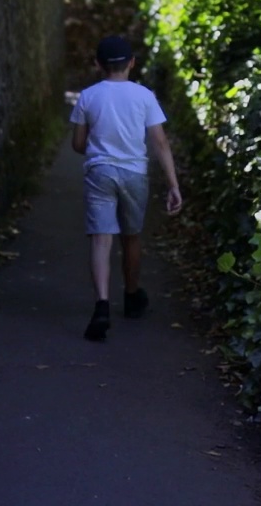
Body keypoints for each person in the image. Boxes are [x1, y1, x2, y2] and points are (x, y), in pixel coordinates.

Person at [69, 35, 182, 341]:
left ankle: (102, 305)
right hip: (134, 173)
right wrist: (173, 185)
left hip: (99, 171)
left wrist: (97, 144)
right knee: (131, 237)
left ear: (97, 65)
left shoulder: (87, 97)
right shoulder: (144, 96)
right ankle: (132, 297)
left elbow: (78, 144)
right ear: (132, 62)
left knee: (101, 239)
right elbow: (160, 142)